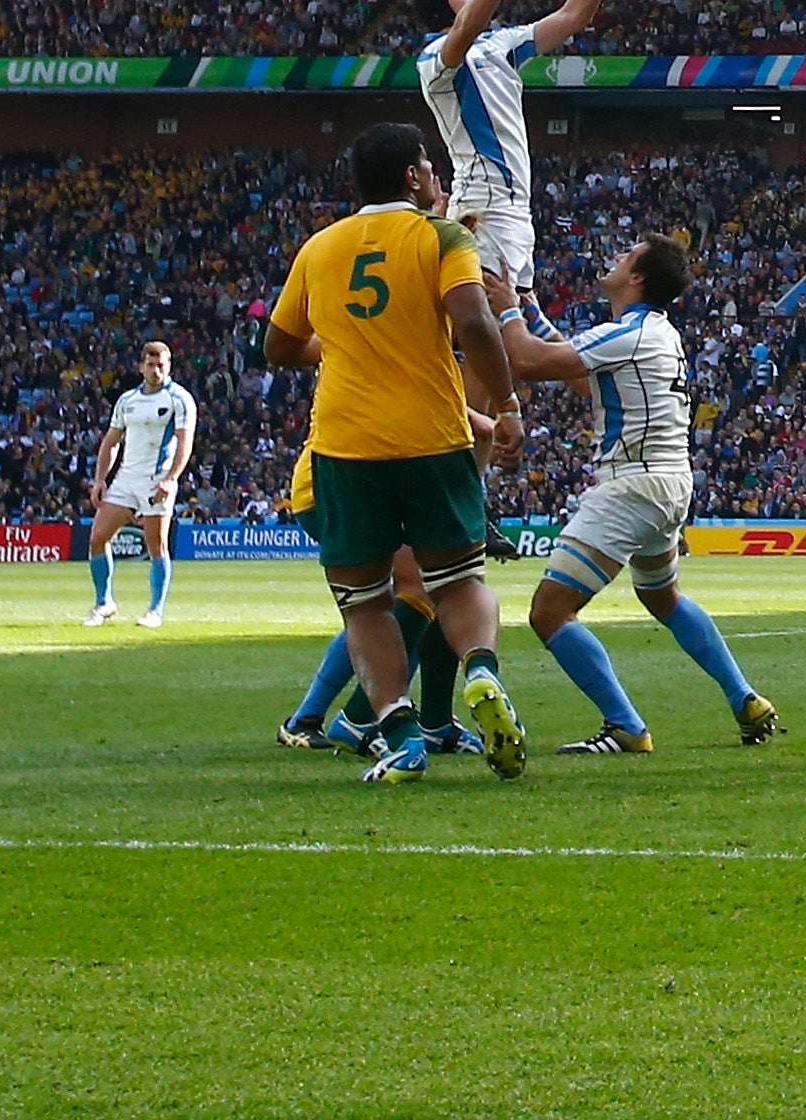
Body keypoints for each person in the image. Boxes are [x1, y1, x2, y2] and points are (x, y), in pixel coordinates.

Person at [257, 125, 529, 782]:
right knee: (457, 583)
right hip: (431, 438)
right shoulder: (441, 239)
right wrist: (508, 403)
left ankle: (401, 735)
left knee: (365, 603)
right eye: (429, 166)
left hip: (344, 446)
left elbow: (278, 348)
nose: (435, 175)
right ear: (413, 176)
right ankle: (483, 675)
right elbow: (473, 320)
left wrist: (348, 344)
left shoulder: (320, 248)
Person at [485, 229, 776, 754]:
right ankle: (745, 698)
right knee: (662, 597)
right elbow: (585, 375)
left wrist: (506, 309)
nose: (614, 258)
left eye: (625, 256)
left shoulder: (631, 333)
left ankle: (625, 726)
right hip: (670, 481)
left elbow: (529, 363)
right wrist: (528, 309)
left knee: (549, 612)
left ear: (637, 277)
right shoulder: (651, 332)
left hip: (632, 485)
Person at [423, 0, 630, 316]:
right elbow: (466, 28)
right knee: (494, 328)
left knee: (517, 328)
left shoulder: (500, 44)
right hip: (482, 203)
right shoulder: (433, 59)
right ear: (441, 6)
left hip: (517, 206)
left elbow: (573, 16)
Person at [273, 441, 457, 754]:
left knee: (419, 594)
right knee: (413, 590)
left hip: (374, 475)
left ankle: (430, 724)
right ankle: (357, 719)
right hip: (341, 480)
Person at [84, 341, 196, 628]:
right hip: (125, 480)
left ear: (169, 366)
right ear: (141, 366)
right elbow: (110, 442)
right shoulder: (127, 400)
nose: (156, 370)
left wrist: (170, 480)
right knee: (98, 538)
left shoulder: (179, 399)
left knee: (156, 545)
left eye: (161, 365)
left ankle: (155, 611)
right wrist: (100, 480)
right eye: (151, 364)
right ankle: (104, 602)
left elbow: (185, 443)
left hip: (156, 480)